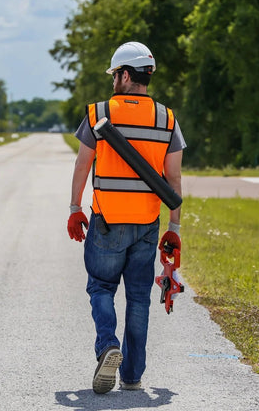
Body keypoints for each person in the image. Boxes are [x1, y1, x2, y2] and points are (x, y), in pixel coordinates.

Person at [67, 41, 186, 394]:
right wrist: (174, 227)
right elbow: (174, 179)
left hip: (107, 222)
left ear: (124, 74)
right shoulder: (167, 118)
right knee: (138, 298)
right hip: (147, 225)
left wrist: (75, 208)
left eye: (115, 74)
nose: (113, 80)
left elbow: (82, 164)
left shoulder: (99, 112)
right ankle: (132, 376)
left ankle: (108, 346)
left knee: (101, 286)